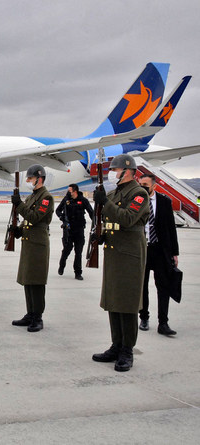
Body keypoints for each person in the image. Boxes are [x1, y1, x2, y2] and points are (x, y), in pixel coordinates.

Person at [91, 154, 149, 372]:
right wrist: (102, 235)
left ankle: (127, 350)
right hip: (115, 252)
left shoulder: (139, 193)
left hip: (130, 254)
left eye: (116, 170)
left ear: (128, 171)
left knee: (127, 303)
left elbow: (127, 219)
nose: (113, 173)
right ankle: (116, 345)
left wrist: (105, 202)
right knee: (113, 301)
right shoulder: (116, 192)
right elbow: (110, 221)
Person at [10, 164, 54, 332]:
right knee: (28, 280)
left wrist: (19, 205)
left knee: (36, 281)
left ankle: (38, 317)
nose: (27, 181)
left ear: (39, 179)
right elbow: (26, 219)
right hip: (29, 242)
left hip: (38, 244)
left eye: (30, 178)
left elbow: (35, 217)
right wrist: (18, 230)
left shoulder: (46, 198)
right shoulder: (32, 196)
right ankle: (30, 313)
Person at [137, 174, 180, 336]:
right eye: (141, 184)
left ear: (154, 186)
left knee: (163, 287)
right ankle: (144, 318)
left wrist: (174, 253)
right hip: (143, 249)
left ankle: (163, 322)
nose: (143, 187)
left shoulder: (164, 202)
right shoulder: (137, 201)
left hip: (161, 250)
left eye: (146, 184)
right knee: (142, 286)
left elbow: (171, 228)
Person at [56, 183, 94, 280]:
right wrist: (62, 218)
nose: (68, 192)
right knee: (66, 250)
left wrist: (95, 223)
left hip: (79, 229)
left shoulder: (83, 200)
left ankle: (78, 273)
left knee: (78, 252)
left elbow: (91, 212)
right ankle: (61, 266)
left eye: (69, 191)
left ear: (75, 191)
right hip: (68, 230)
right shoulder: (66, 200)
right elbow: (58, 210)